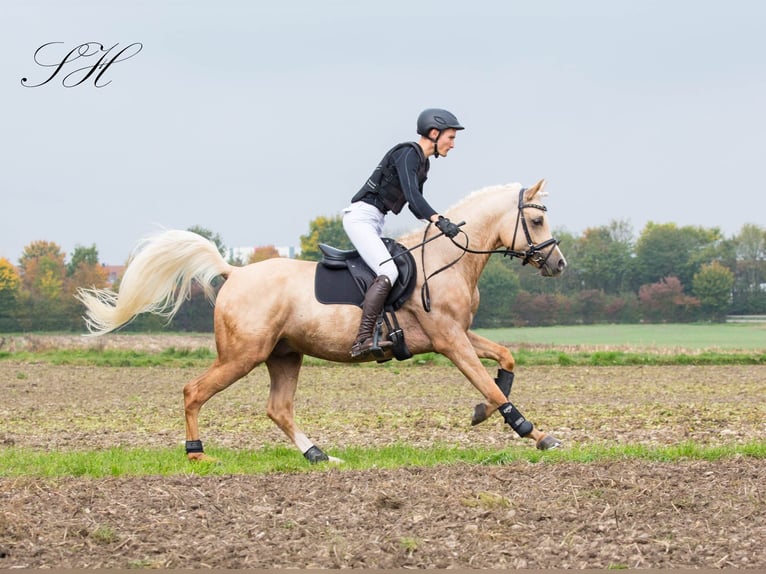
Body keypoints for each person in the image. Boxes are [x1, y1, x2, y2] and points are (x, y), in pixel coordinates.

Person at [343, 108, 464, 358]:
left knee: (394, 268)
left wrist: (437, 224)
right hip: (361, 218)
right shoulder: (408, 153)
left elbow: (414, 205)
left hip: (375, 220)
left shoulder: (423, 164)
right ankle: (362, 339)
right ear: (434, 133)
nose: (453, 144)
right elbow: (413, 196)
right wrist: (439, 220)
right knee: (388, 270)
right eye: (450, 137)